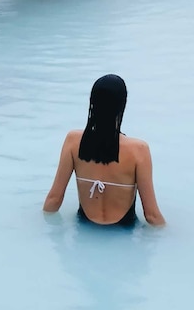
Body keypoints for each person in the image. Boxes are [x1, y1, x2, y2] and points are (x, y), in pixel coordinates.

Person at [43, 74, 166, 227]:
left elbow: (53, 200)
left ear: (92, 103)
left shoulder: (73, 141)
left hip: (84, 227)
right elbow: (152, 216)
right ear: (122, 105)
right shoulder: (139, 150)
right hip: (123, 232)